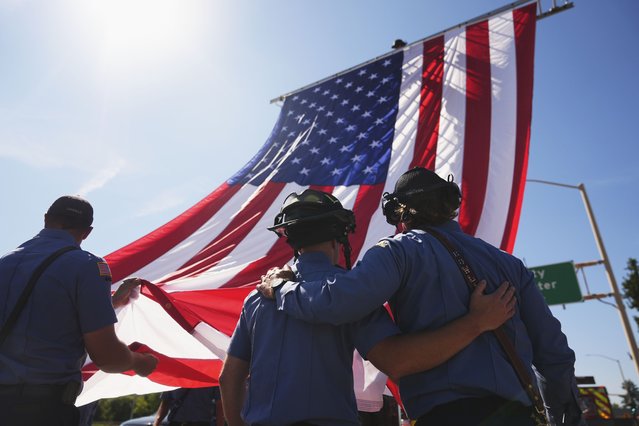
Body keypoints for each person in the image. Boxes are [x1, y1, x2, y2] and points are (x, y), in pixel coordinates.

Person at [258, 168, 584, 426]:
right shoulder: (510, 265)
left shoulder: (397, 252)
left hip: (446, 415)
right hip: (519, 414)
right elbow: (554, 354)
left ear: (399, 214)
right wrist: (557, 411)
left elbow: (337, 302)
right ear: (448, 205)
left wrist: (281, 288)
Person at [220, 189, 516, 426]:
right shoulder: (351, 294)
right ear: (340, 238)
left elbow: (229, 377)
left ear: (290, 239)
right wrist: (475, 323)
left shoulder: (258, 297)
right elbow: (397, 361)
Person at [0, 195, 158, 426]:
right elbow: (107, 357)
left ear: (46, 219)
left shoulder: (5, 263)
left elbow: (38, 310)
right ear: (87, 232)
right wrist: (140, 362)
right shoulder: (88, 266)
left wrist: (111, 302)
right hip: (43, 410)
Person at [153, 386, 221, 426]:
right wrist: (157, 423)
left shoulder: (210, 375)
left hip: (200, 423)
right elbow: (165, 403)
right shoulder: (173, 375)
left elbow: (219, 405)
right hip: (177, 423)